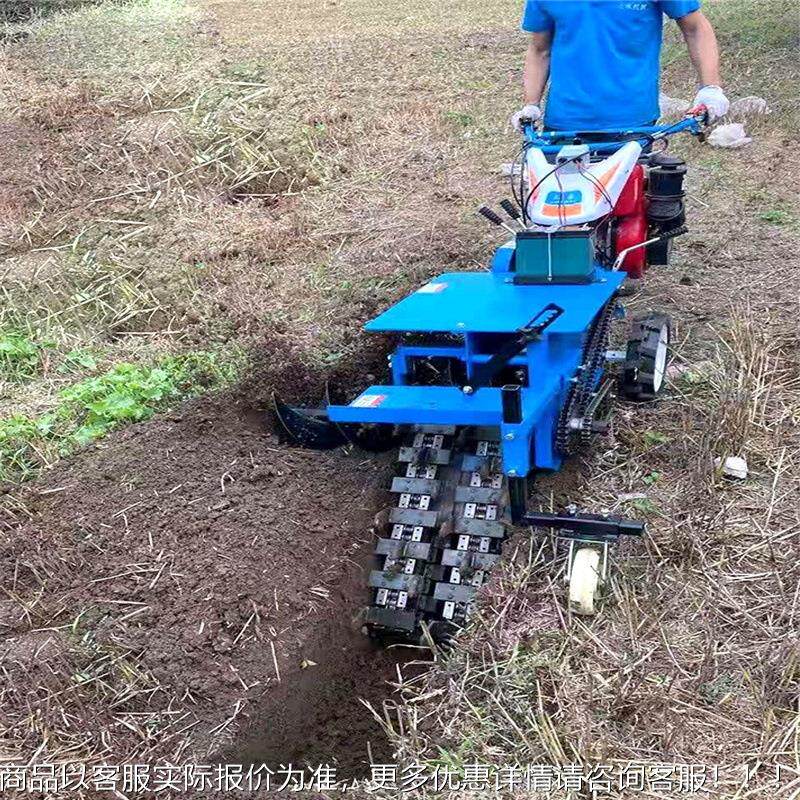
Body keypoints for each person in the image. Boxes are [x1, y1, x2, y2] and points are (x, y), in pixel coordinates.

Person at [510, 1, 729, 133]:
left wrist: (710, 88)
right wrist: (531, 104)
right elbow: (540, 49)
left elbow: (696, 28)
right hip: (562, 124)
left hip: (633, 122)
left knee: (632, 205)